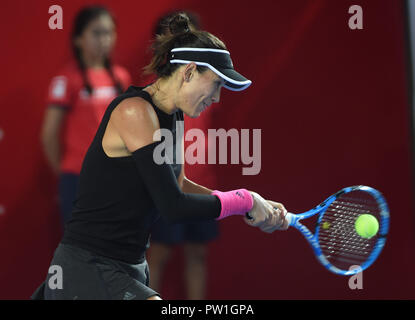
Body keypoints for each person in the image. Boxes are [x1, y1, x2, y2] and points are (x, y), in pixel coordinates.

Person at [32, 13, 289, 300]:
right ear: (189, 72)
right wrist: (243, 199)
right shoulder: (134, 111)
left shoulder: (175, 115)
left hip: (130, 266)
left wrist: (250, 205)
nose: (217, 98)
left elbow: (177, 184)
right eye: (216, 84)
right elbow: (172, 206)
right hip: (88, 266)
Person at [146, 10, 220, 300]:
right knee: (158, 254)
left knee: (197, 254)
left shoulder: (209, 84)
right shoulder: (156, 93)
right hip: (167, 186)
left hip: (200, 184)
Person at [41, 5, 131, 227]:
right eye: (97, 33)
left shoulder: (122, 77)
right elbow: (49, 134)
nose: (104, 39)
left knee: (115, 249)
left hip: (118, 177)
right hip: (78, 177)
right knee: (80, 251)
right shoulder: (66, 79)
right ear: (78, 39)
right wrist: (66, 173)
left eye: (109, 32)